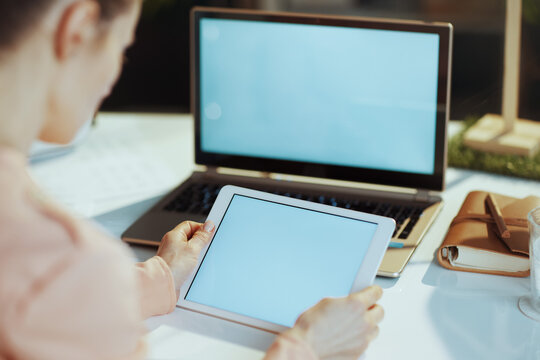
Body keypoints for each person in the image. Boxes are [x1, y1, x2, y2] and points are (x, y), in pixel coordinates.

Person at [0, 0, 384, 359]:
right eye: (122, 47)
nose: (115, 73)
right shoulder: (65, 261)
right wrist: (308, 346)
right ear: (78, 29)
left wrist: (158, 279)